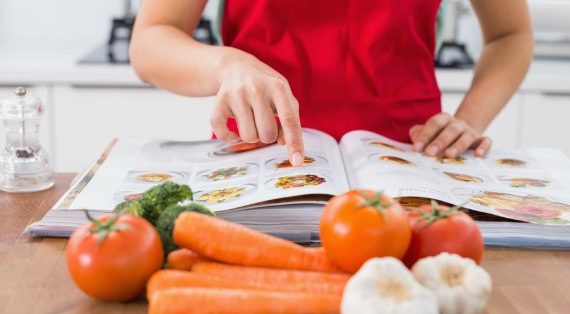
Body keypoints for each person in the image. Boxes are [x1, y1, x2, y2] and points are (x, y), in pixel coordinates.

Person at [130, 0, 533, 167]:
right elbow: (151, 40)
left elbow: (509, 35)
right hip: (261, 159)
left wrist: (470, 120)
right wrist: (226, 64)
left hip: (410, 161)